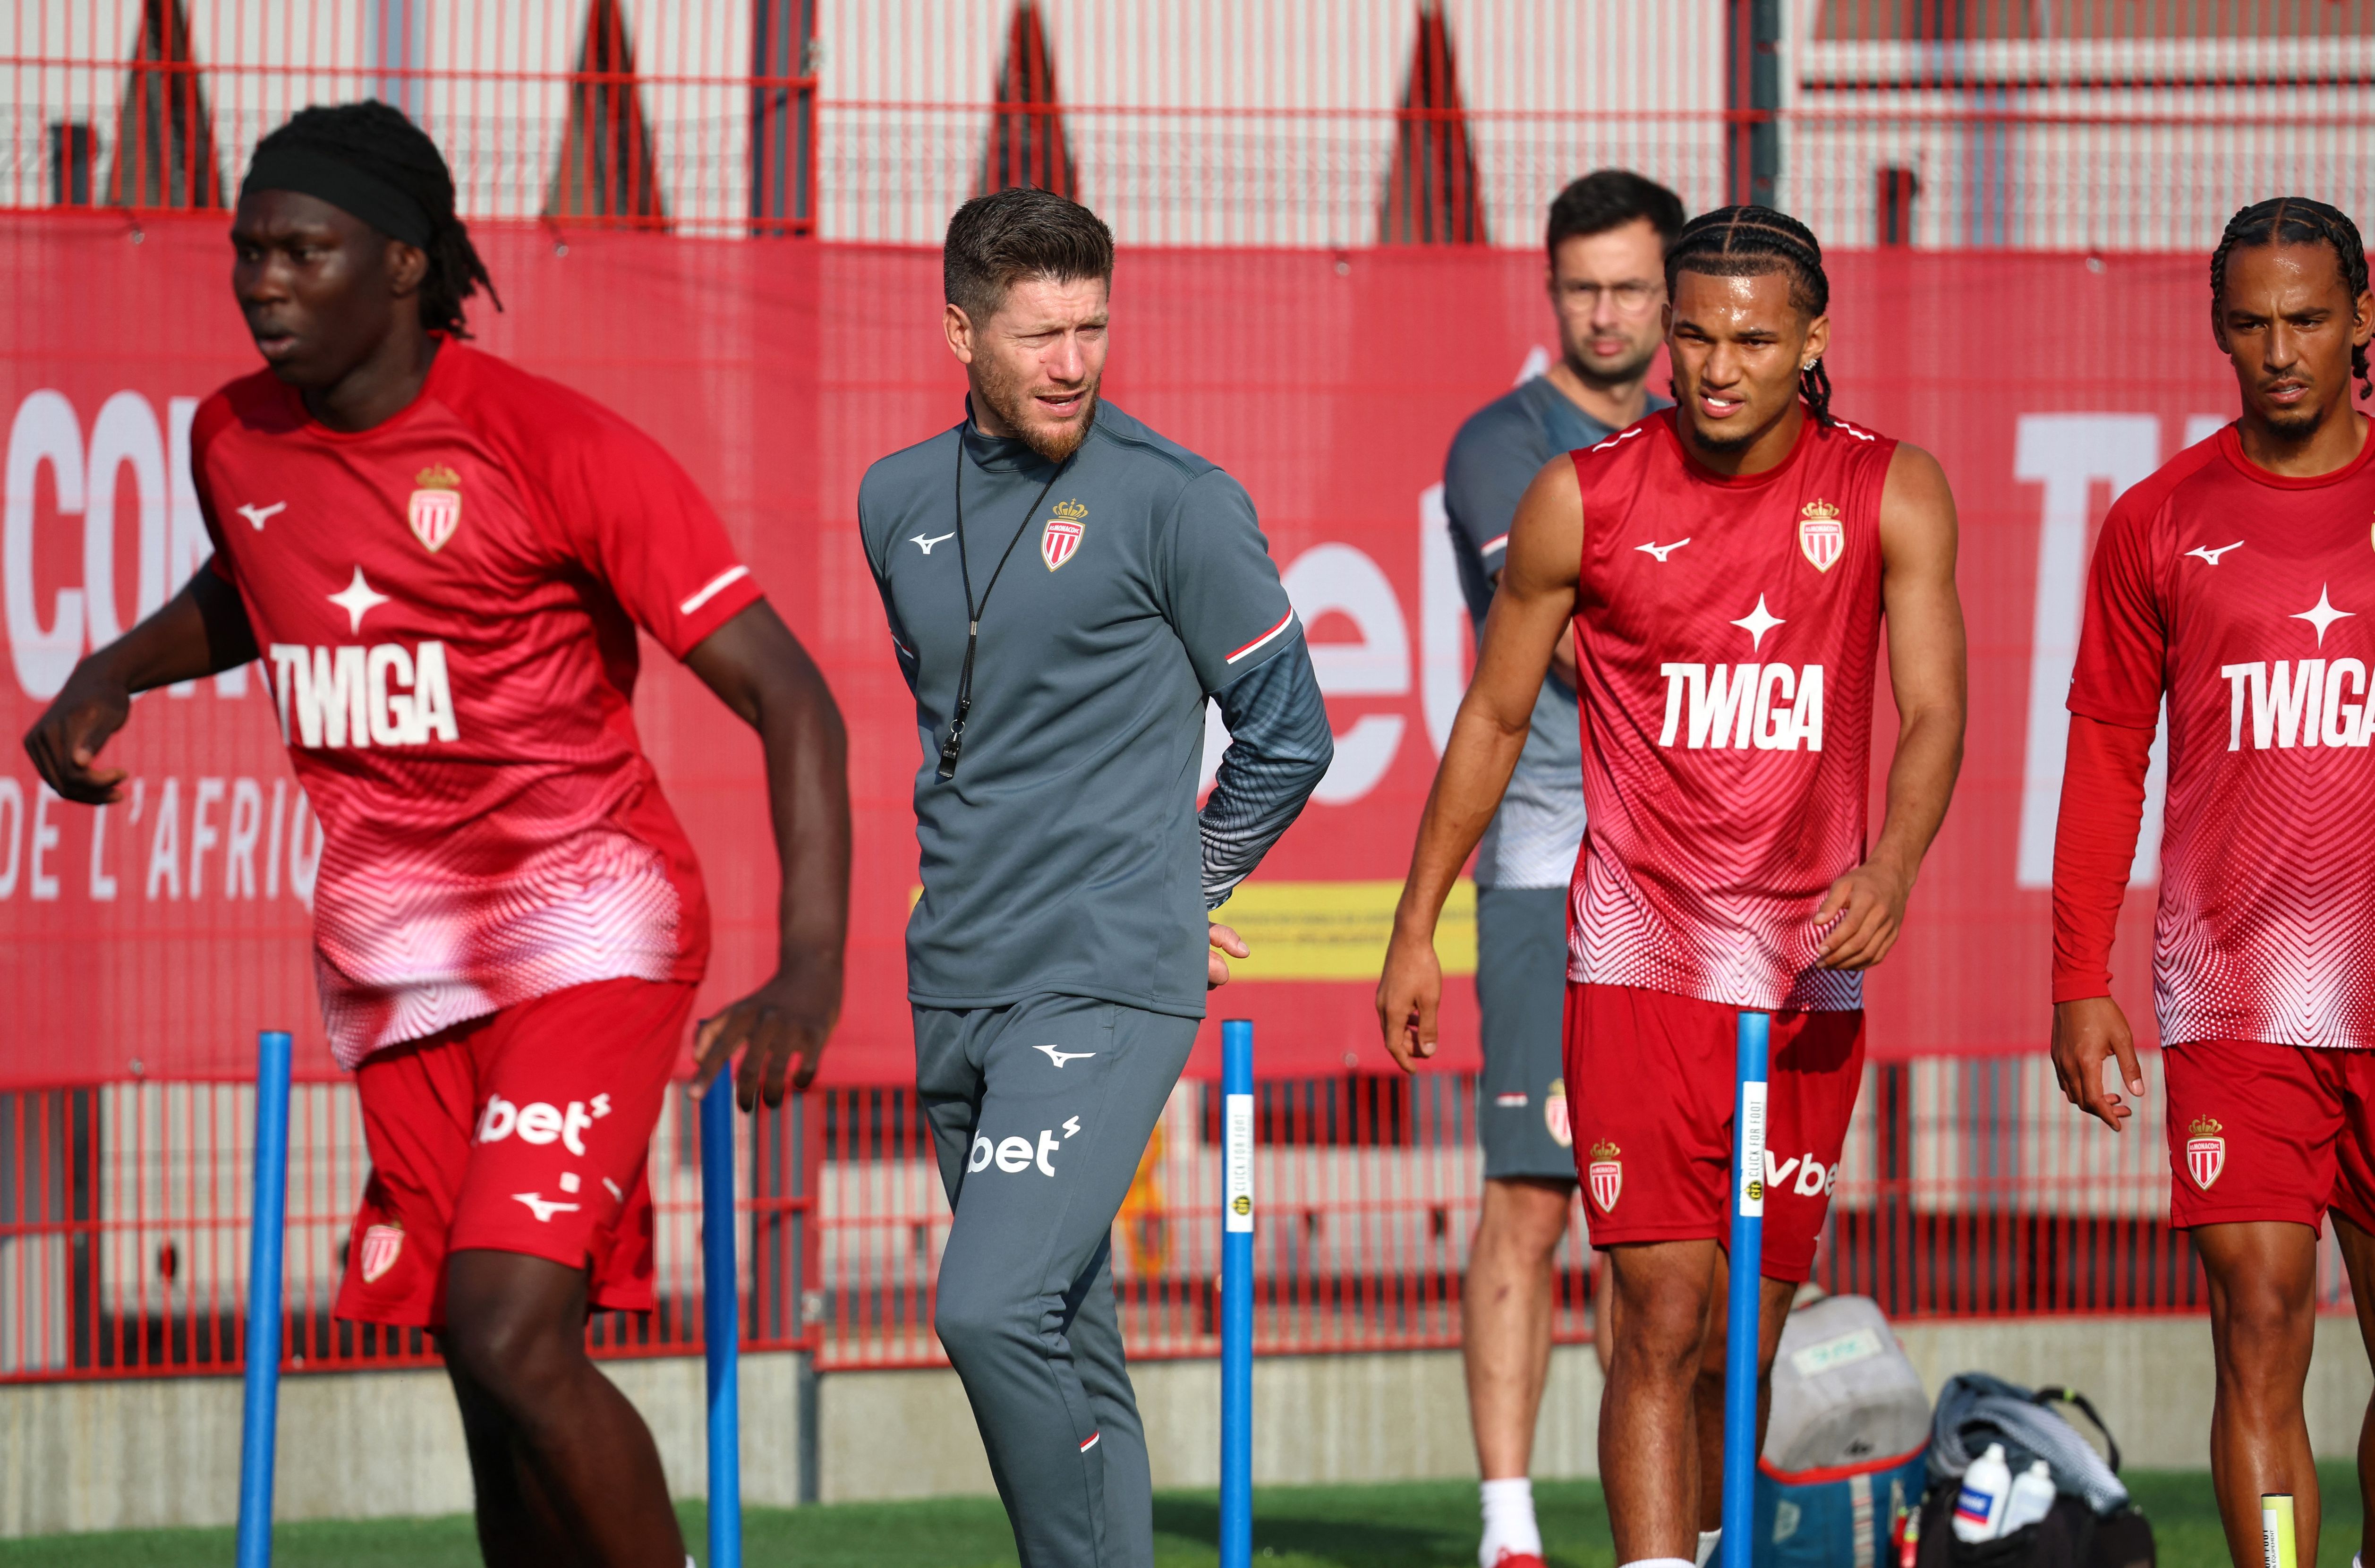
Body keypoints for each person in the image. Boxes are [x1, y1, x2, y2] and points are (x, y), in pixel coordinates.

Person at [21, 102, 851, 1568]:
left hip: (590, 921)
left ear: (403, 264)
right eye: (247, 252)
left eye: (302, 252)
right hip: (396, 951)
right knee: (475, 1361)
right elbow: (262, 580)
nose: (263, 282)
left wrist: (810, 970)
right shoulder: (230, 435)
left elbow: (792, 695)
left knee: (508, 1326)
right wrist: (113, 670)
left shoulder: (553, 443)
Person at [1378, 206, 1966, 1568]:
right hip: (1636, 958)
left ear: (1812, 340)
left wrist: (1892, 864)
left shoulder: (1892, 489)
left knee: (1738, 1344)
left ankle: (1711, 1550)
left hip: (1808, 968)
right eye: (1693, 333)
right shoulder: (1580, 495)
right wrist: (1416, 925)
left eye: (1753, 339)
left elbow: (1935, 713)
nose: (1716, 365)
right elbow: (1491, 719)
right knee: (1659, 1312)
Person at [858, 186, 1330, 1568]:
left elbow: (1290, 735)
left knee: (988, 1310)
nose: (1072, 362)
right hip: (955, 976)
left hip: (1105, 972)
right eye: (1038, 334)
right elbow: (963, 728)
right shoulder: (895, 498)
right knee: (1066, 1334)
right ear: (960, 332)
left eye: (1093, 328)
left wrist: (1188, 883)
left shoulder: (1176, 501)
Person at [2051, 197, 2375, 1568]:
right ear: (2217, 331)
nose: (2282, 350)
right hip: (2235, 991)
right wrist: (2079, 980)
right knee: (2260, 1320)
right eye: (2253, 324)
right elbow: (2106, 757)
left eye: (2308, 319)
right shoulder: (2158, 520)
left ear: (2363, 319)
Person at [1440, 168, 1685, 1568]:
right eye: (1583, 287)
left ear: (1670, 298)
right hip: (1547, 865)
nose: (1606, 314)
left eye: (1630, 288)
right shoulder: (1503, 447)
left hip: (1700, 883)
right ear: (1551, 294)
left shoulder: (1709, 437)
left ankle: (1683, 1518)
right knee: (1533, 1197)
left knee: (1689, 1222)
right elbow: (1574, 643)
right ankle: (1509, 1527)